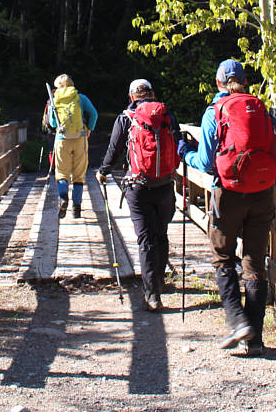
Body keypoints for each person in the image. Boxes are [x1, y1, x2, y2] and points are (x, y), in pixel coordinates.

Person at [177, 59, 276, 355]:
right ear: (245, 81)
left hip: (230, 194)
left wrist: (186, 153)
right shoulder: (259, 108)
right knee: (254, 262)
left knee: (222, 256)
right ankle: (256, 339)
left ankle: (237, 322)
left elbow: (207, 163)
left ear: (218, 83)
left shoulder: (215, 112)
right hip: (263, 192)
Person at [97, 79, 179, 312]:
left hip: (138, 185)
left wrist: (103, 171)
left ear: (132, 96)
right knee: (161, 233)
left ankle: (152, 295)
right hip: (164, 184)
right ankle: (160, 282)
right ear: (152, 94)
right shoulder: (166, 115)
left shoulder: (126, 118)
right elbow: (178, 143)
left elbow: (114, 149)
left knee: (146, 240)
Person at [46, 74, 97, 218]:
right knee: (79, 174)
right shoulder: (81, 98)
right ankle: (77, 208)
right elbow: (94, 114)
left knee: (62, 172)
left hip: (62, 139)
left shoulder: (54, 100)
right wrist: (89, 129)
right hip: (80, 138)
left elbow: (53, 123)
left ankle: (63, 198)